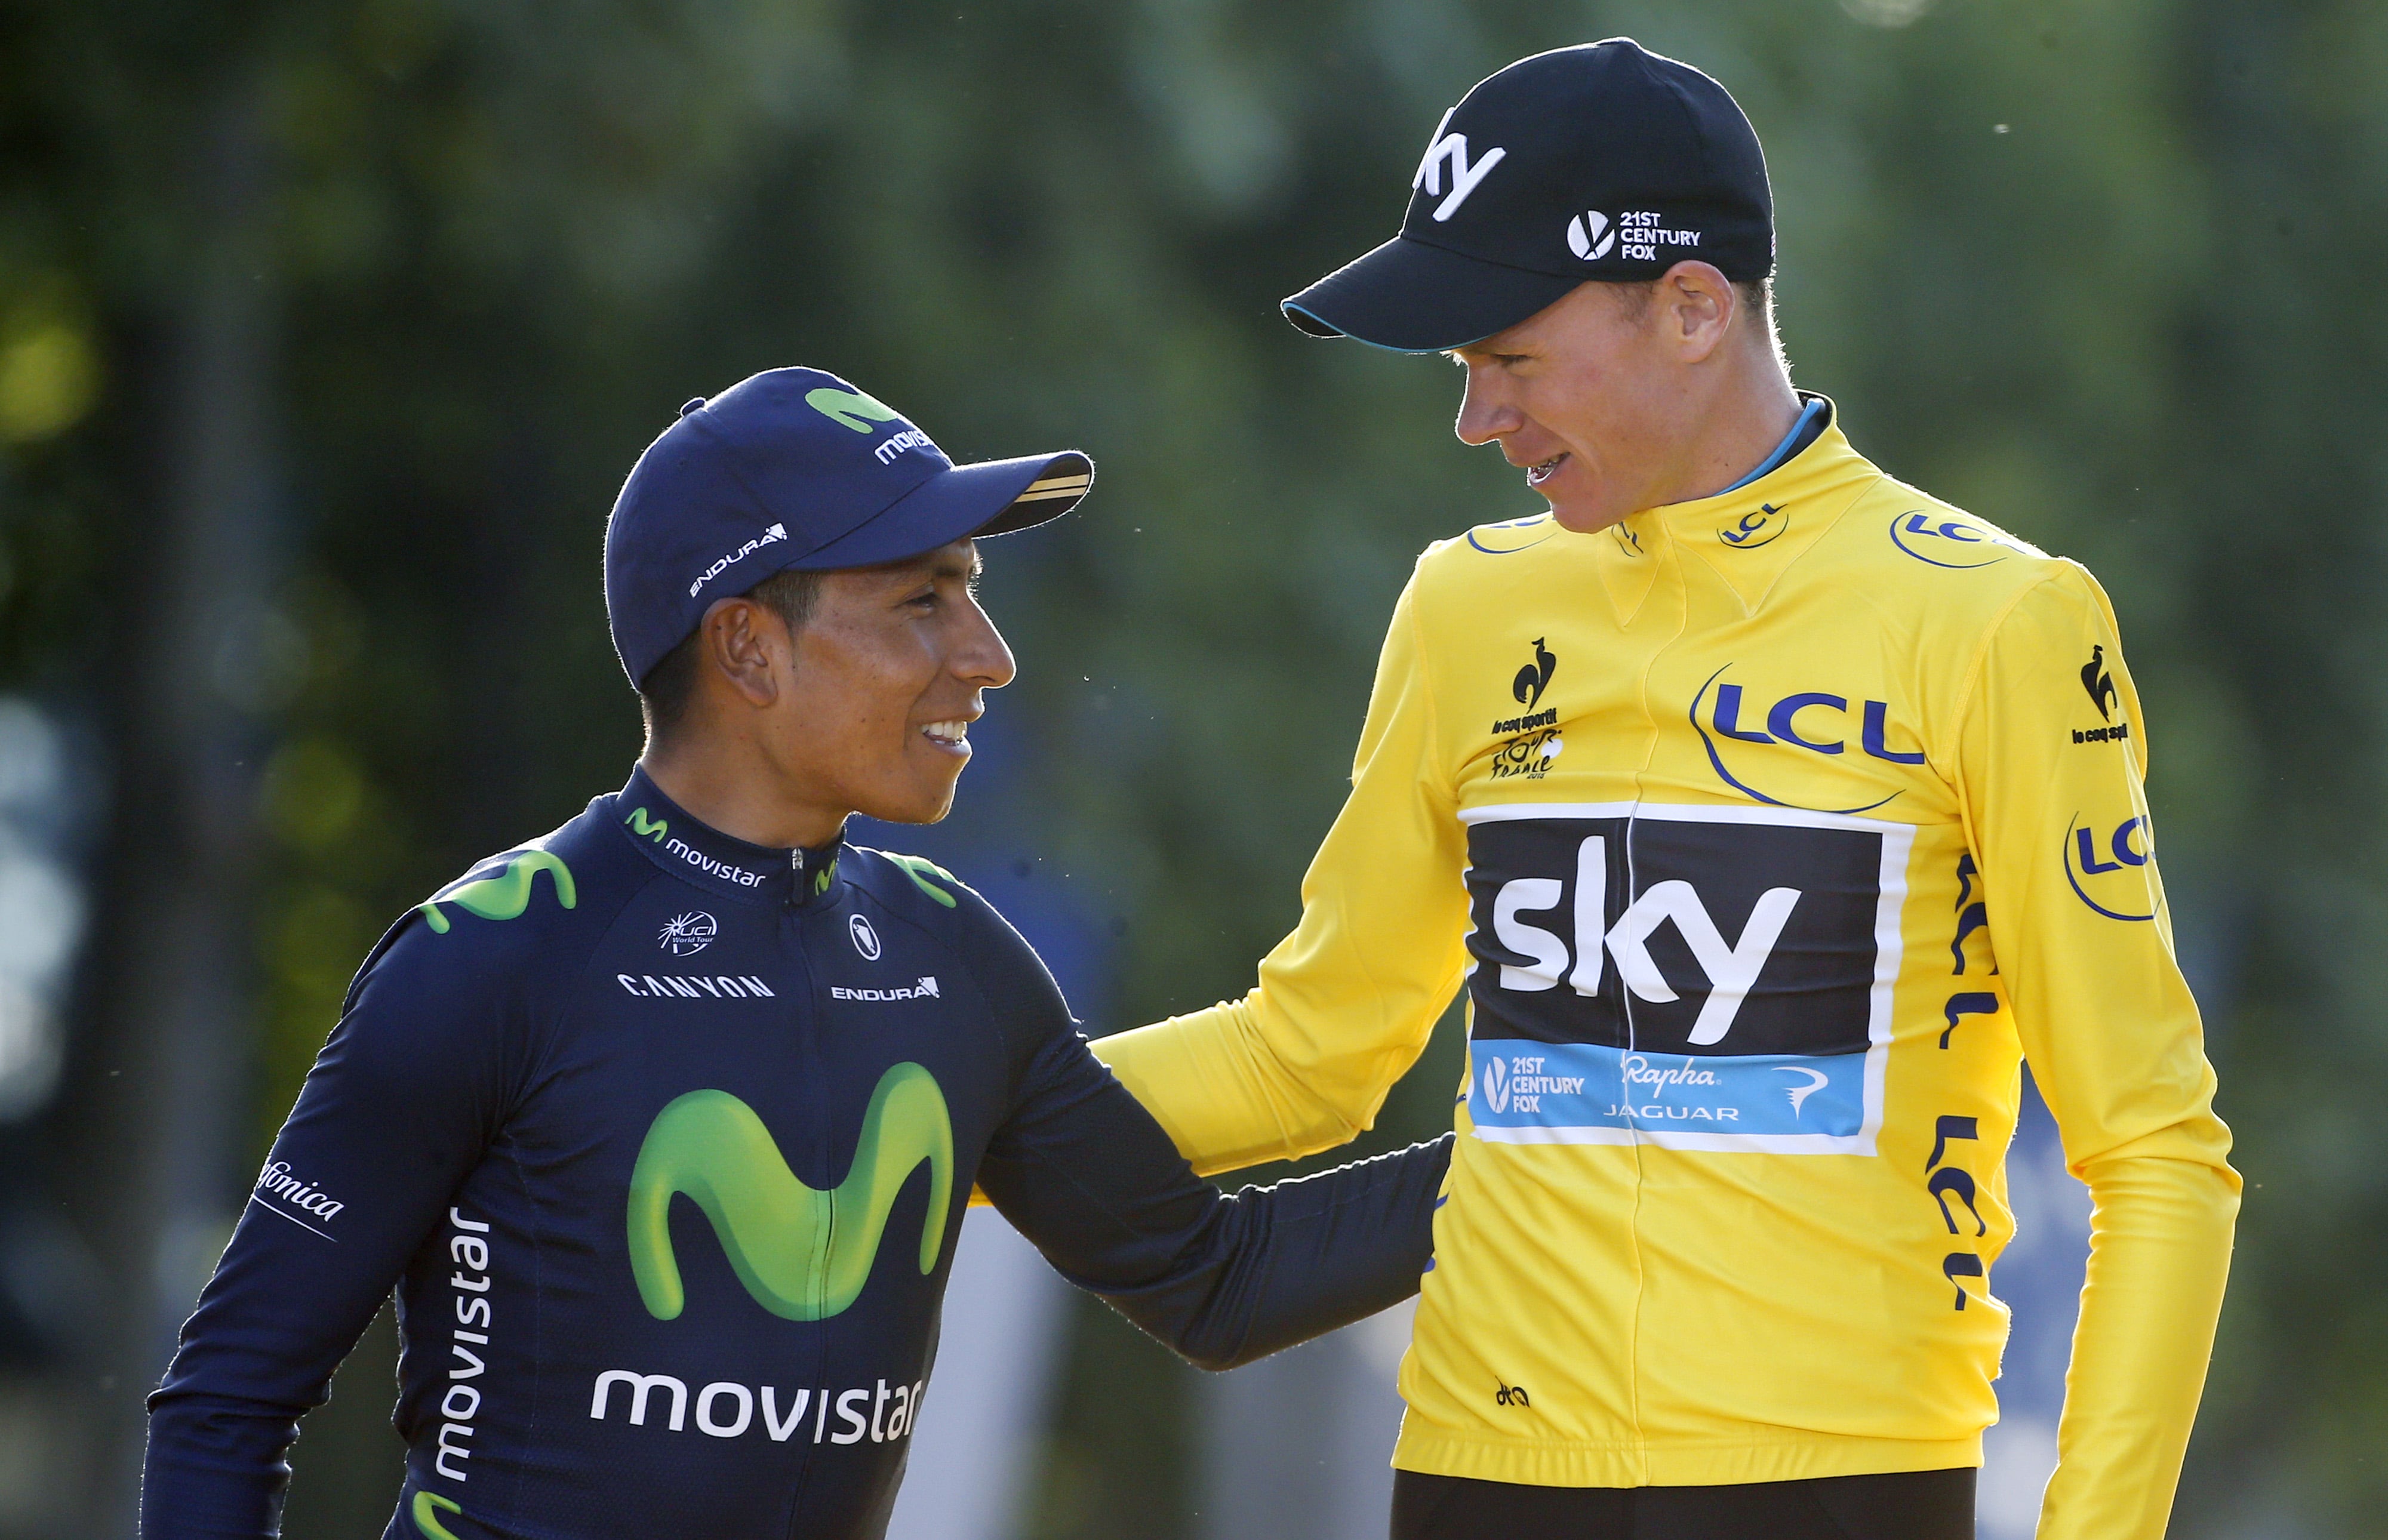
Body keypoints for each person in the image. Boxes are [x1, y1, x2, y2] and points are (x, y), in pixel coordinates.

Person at [1092, 39, 2238, 1540]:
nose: (1474, 419)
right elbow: (1306, 1056)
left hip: (1832, 1487)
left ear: (1692, 309)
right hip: (1475, 1474)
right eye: (1461, 371)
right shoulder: (1465, 605)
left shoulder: (1994, 622)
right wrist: (923, 1102)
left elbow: (2157, 1156)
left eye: (1506, 357)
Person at [141, 368, 1451, 1540]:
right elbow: (227, 1405)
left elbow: (1212, 1283)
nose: (985, 660)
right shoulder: (490, 958)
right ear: (748, 648)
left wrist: (1584, 1138)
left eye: (973, 600)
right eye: (921, 603)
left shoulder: (958, 963)